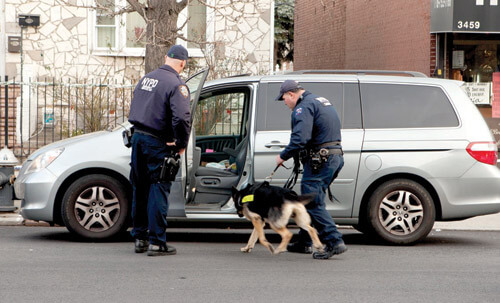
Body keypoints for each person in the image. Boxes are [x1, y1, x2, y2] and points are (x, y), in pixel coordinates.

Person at [128, 45, 191, 256]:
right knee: (158, 187)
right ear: (182, 63)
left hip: (138, 139)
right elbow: (181, 118)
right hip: (158, 143)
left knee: (140, 188)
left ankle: (140, 239)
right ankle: (157, 242)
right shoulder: (177, 84)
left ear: (166, 58)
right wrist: (181, 143)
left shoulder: (147, 78)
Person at [275, 80, 347, 260]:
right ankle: (305, 241)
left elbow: (301, 138)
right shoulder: (318, 100)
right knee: (311, 200)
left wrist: (283, 155)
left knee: (312, 202)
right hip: (333, 157)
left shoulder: (303, 106)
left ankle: (334, 241)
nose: (284, 103)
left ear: (291, 94)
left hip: (320, 159)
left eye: (284, 99)